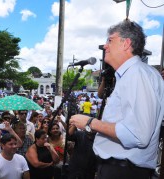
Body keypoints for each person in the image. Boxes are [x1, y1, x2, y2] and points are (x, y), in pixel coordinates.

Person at [70, 20, 164, 179]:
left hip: (123, 171)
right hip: (120, 169)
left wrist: (90, 123)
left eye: (110, 40)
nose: (105, 45)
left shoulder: (137, 75)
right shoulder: (132, 75)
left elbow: (138, 134)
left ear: (126, 43)